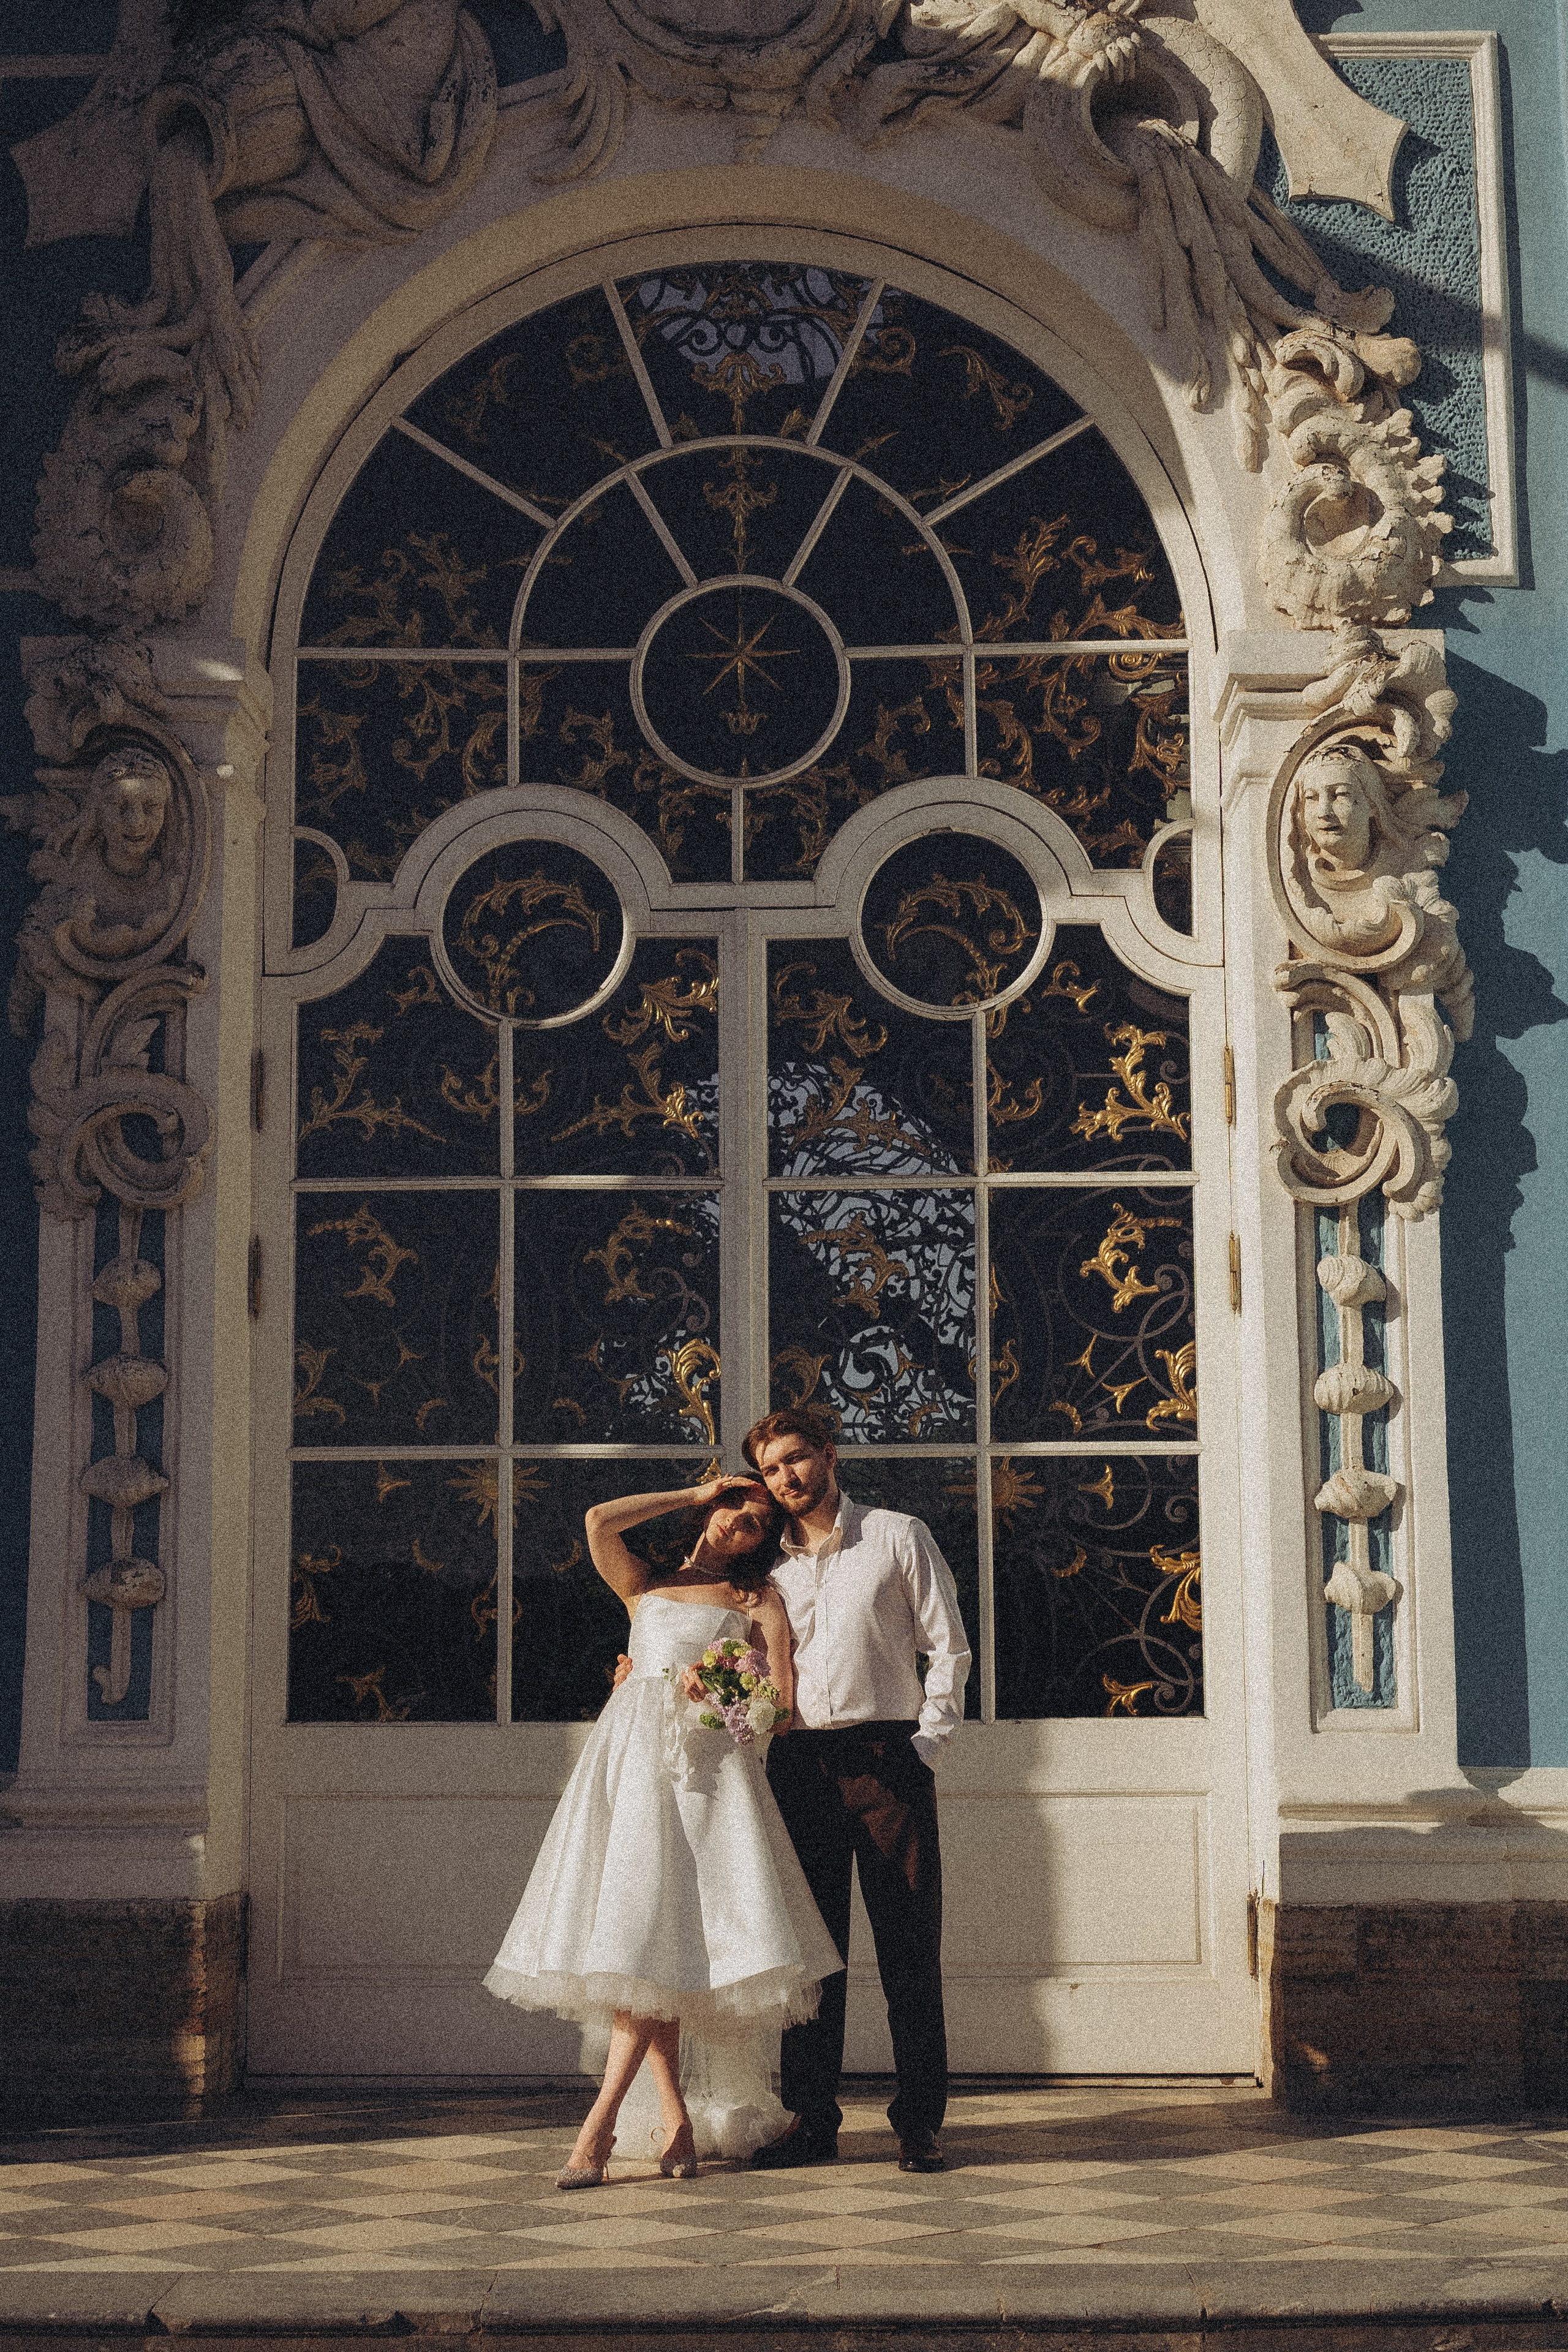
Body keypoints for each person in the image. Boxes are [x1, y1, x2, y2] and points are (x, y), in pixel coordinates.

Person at [484, 1474, 843, 2188]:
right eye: (735, 1506)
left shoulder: (755, 1599)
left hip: (706, 1779)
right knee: (648, 1943)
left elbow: (778, 1708)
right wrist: (691, 1490)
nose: (743, 1522)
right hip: (629, 1771)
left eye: (759, 1520)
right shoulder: (644, 1585)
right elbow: (596, 1517)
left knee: (657, 1944)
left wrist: (722, 1690)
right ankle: (674, 2122)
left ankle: (600, 2125)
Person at [742, 1406, 971, 2175]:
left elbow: (948, 1646)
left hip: (887, 1756)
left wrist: (925, 1746)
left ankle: (919, 2123)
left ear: (829, 1455)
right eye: (772, 1469)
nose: (787, 1479)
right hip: (798, 1764)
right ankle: (811, 2122)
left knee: (908, 1945)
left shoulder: (897, 1535)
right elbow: (733, 1661)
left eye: (798, 1460)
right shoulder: (760, 1565)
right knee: (813, 1958)